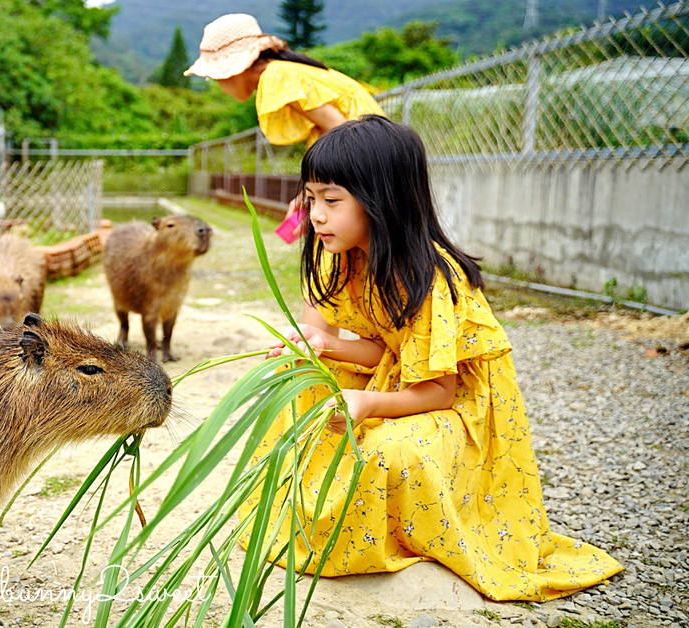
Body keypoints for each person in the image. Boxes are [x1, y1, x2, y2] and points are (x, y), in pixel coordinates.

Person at [241, 115, 623, 600]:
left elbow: (438, 390)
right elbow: (376, 348)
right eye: (310, 199)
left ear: (383, 201)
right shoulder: (331, 251)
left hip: (453, 404)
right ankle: (313, 506)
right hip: (397, 378)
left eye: (331, 201)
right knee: (297, 385)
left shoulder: (428, 278)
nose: (314, 216)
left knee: (385, 452)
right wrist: (318, 345)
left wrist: (363, 404)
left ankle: (393, 529)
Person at [184, 13, 385, 243]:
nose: (218, 83)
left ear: (234, 68)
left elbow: (343, 131)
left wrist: (312, 195)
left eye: (214, 75)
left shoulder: (276, 76)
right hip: (366, 161)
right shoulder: (282, 71)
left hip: (365, 162)